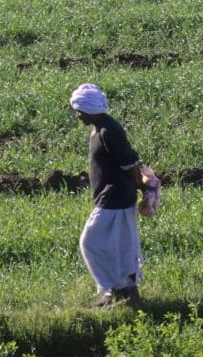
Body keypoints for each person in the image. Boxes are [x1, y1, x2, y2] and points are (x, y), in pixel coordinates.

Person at [70, 83, 151, 307]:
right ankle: (122, 294)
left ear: (90, 109)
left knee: (91, 243)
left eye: (79, 110)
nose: (77, 115)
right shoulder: (101, 127)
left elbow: (131, 162)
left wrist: (142, 187)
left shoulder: (108, 131)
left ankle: (113, 291)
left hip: (114, 198)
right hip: (113, 196)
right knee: (120, 246)